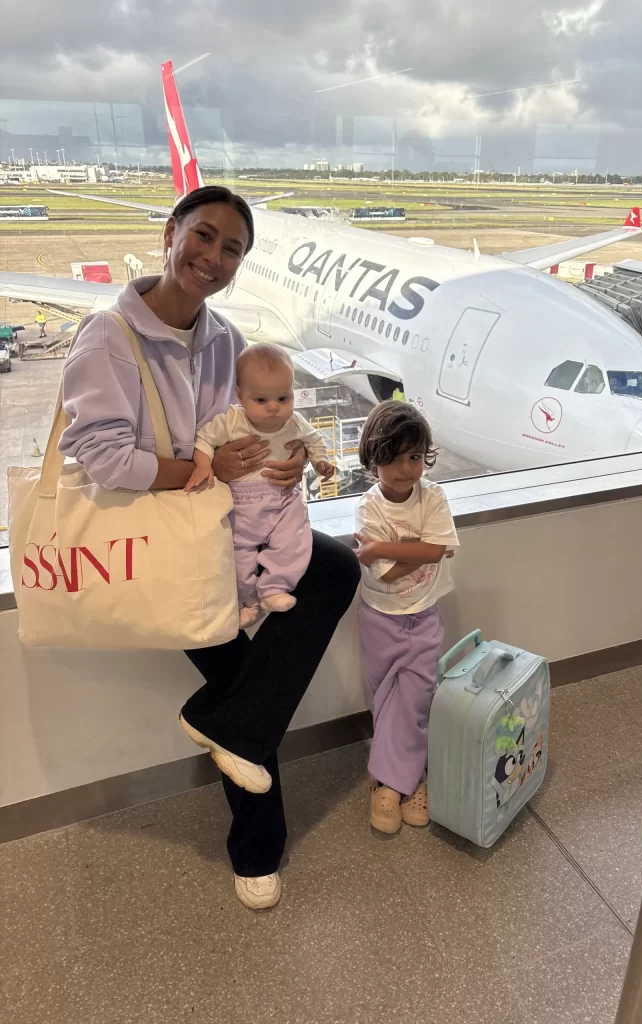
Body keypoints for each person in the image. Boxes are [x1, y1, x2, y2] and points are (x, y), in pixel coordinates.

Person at [58, 185, 359, 909]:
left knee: (336, 570)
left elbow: (254, 428)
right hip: (163, 544)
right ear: (170, 233)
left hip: (231, 534)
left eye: (232, 249)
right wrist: (201, 471)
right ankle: (256, 848)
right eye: (204, 236)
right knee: (245, 673)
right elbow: (99, 456)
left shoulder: (226, 340)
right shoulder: (109, 337)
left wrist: (284, 463)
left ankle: (219, 723)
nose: (214, 257)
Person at [354, 401, 458, 834]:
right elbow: (393, 572)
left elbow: (436, 551)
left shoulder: (432, 496)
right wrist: (412, 547)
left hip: (425, 613)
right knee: (386, 698)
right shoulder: (368, 508)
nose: (406, 469)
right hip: (379, 616)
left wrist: (382, 548)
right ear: (373, 459)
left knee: (416, 698)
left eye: (414, 457)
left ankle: (392, 784)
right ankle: (410, 777)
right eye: (393, 458)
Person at [187, 343, 335, 625]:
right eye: (261, 400)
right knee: (236, 553)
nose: (274, 408)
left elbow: (314, 440)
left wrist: (319, 461)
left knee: (295, 538)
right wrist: (204, 464)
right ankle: (247, 601)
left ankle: (273, 588)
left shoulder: (296, 423)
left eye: (283, 398)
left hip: (282, 499)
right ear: (240, 396)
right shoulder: (231, 421)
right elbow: (204, 440)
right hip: (240, 503)